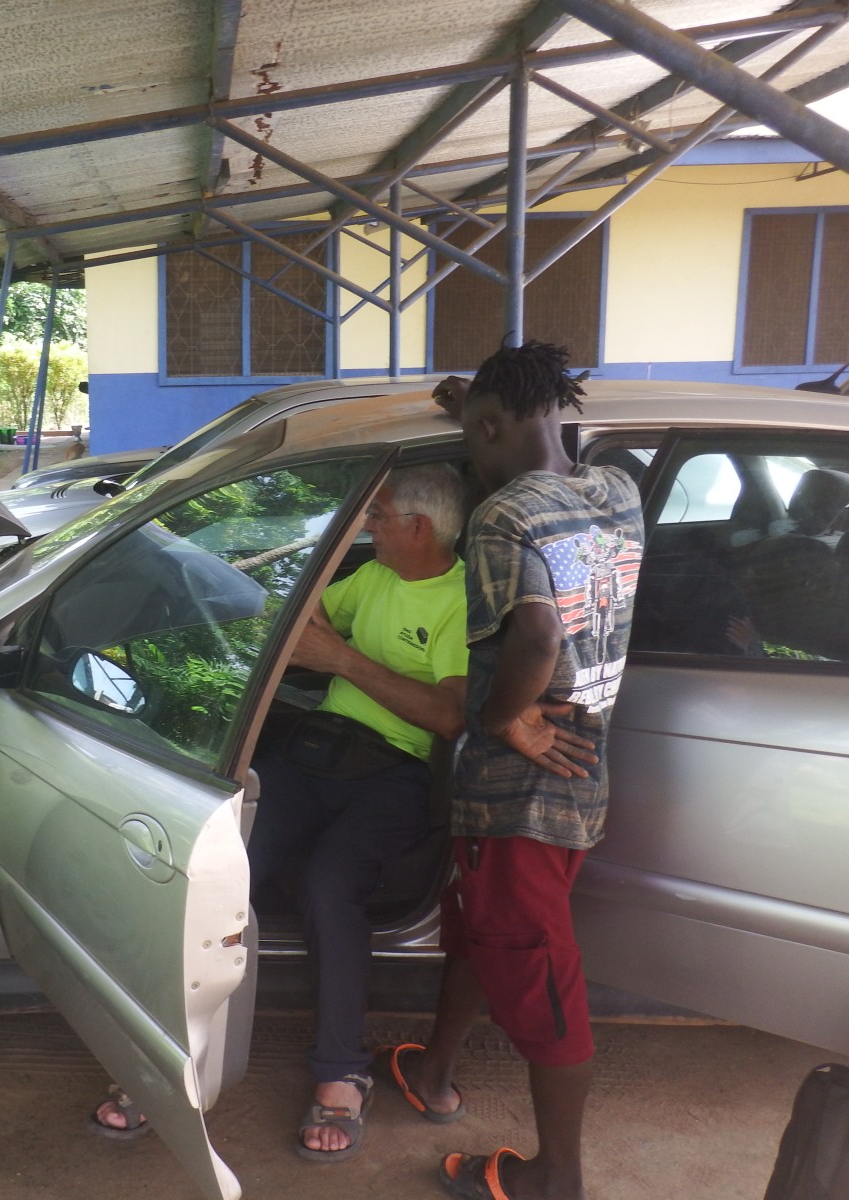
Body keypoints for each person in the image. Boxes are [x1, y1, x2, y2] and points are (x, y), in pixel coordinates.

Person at [92, 462, 469, 1163]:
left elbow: (449, 715)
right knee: (218, 868)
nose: (369, 526)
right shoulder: (375, 576)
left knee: (330, 885)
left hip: (397, 773)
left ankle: (342, 1072)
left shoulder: (458, 599)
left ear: (419, 528)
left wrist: (343, 661)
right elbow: (304, 622)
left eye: (378, 516)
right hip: (320, 751)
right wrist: (301, 605)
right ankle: (163, 1057)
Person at [388, 342, 643, 1200]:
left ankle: (557, 1179)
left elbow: (536, 637)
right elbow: (536, 461)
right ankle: (433, 1070)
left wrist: (501, 720)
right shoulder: (616, 490)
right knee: (479, 930)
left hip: (517, 796)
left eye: (473, 437)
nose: (470, 452)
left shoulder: (502, 518)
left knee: (541, 981)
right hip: (582, 775)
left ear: (492, 428)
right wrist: (478, 408)